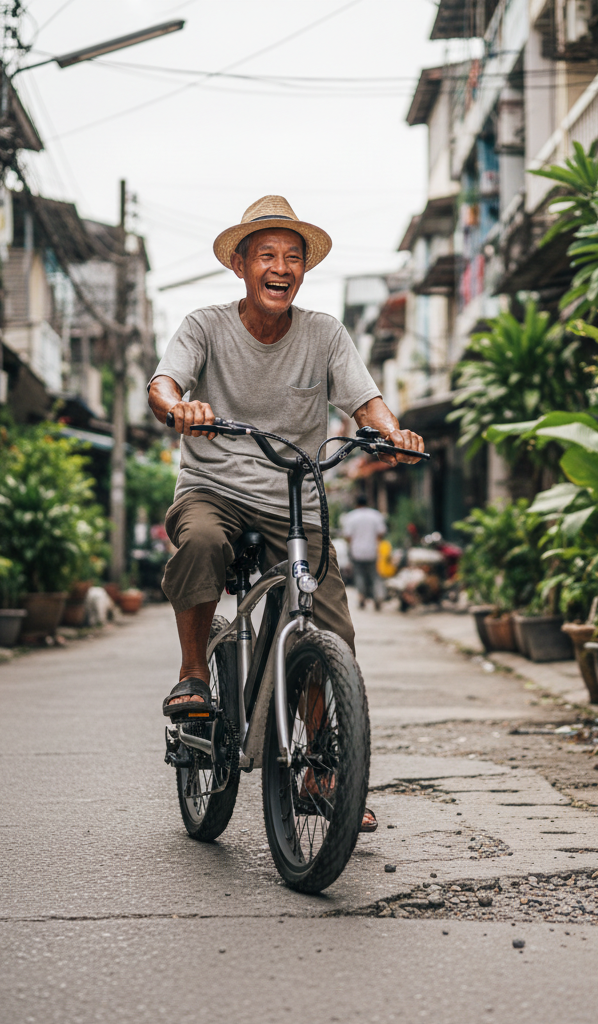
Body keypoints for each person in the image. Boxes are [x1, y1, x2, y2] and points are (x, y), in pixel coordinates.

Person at [146, 195, 426, 833]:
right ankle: (194, 674)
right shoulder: (205, 325)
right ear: (240, 266)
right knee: (201, 543)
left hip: (295, 499)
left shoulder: (325, 332)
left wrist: (391, 432)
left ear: (303, 271)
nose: (280, 267)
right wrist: (177, 407)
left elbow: (366, 400)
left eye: (292, 258)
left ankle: (324, 768)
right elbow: (165, 384)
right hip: (214, 485)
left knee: (330, 627)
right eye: (266, 255)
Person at [340, 493, 387, 611]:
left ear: (356, 504)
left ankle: (362, 597)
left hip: (357, 551)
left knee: (359, 575)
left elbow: (347, 536)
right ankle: (378, 597)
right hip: (372, 550)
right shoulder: (375, 515)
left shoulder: (351, 516)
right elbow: (381, 533)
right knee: (374, 575)